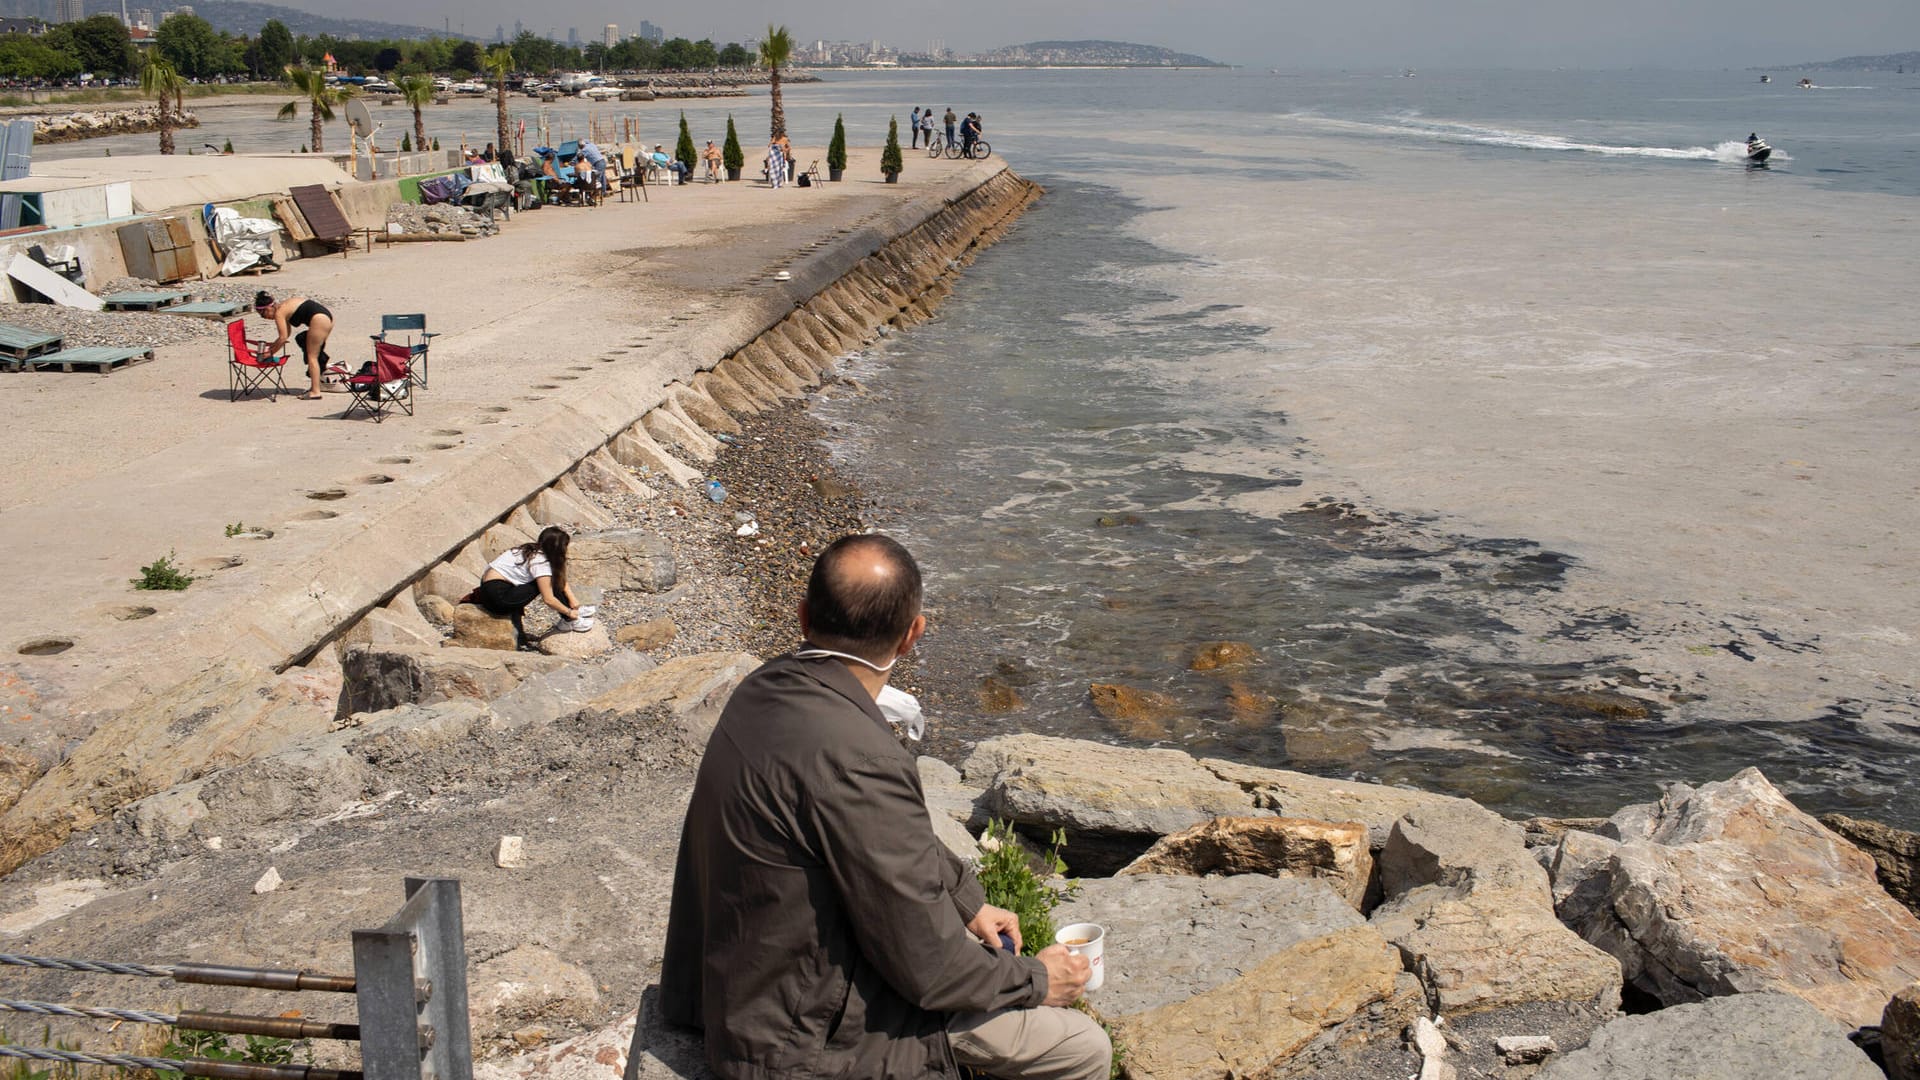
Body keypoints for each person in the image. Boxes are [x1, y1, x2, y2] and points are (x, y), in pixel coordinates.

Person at [659, 534, 1109, 1080]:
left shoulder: (765, 687)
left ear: (803, 617)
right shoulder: (860, 757)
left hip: (742, 983)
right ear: (912, 635)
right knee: (1082, 1046)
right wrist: (1039, 979)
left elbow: (886, 840)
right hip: (796, 1040)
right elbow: (931, 969)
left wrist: (966, 901)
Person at [471, 526, 593, 649]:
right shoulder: (540, 562)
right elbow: (549, 599)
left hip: (488, 590)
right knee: (544, 583)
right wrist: (569, 612)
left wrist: (572, 599)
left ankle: (572, 610)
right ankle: (569, 621)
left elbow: (558, 576)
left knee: (547, 580)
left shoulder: (529, 549)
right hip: (499, 599)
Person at [253, 291, 332, 400]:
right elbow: (286, 334)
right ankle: (318, 384)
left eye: (262, 314)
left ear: (268, 308)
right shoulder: (284, 307)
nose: (264, 318)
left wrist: (270, 353)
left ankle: (315, 391)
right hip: (325, 317)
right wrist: (272, 347)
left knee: (312, 357)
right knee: (307, 345)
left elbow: (283, 338)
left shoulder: (279, 313)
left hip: (319, 320)